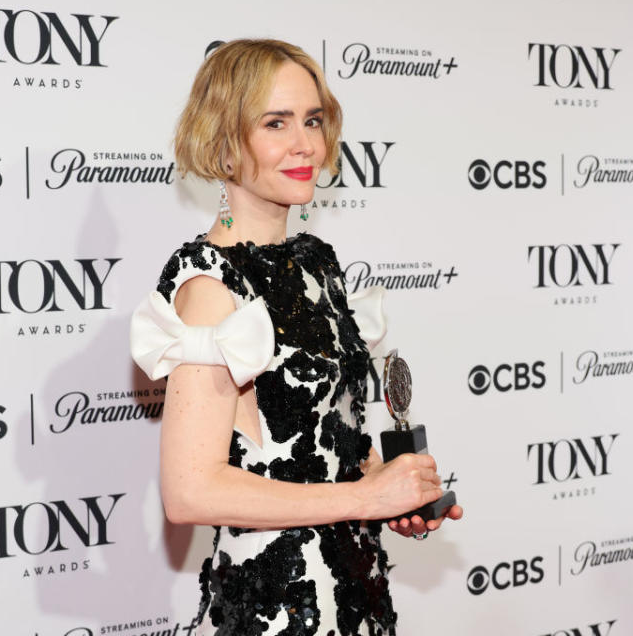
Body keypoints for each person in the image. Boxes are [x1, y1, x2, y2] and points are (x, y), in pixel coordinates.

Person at [130, 38, 463, 636]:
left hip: (355, 590)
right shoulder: (211, 285)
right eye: (275, 123)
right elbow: (190, 491)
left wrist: (389, 488)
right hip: (276, 607)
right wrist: (364, 500)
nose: (305, 143)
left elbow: (320, 440)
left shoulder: (314, 262)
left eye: (312, 120)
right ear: (227, 142)